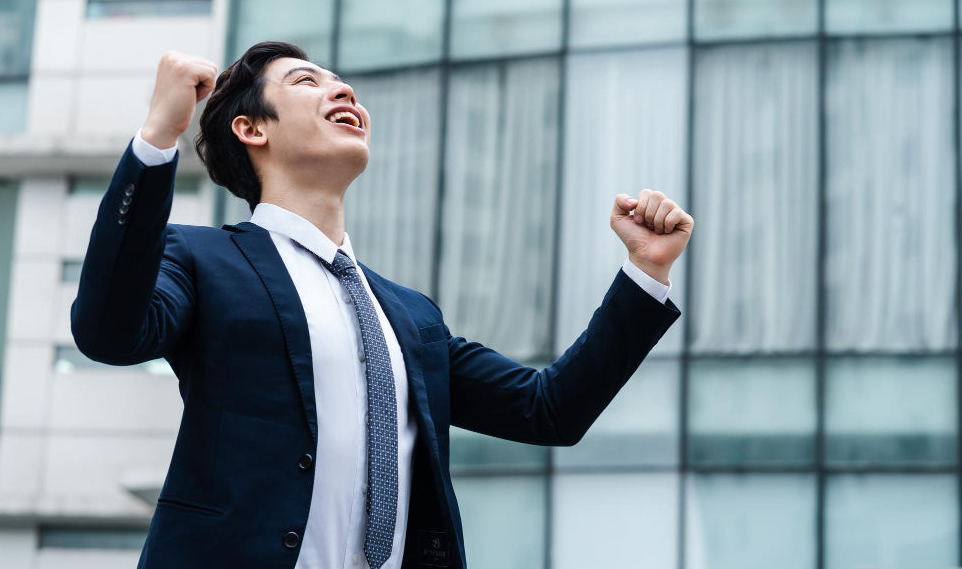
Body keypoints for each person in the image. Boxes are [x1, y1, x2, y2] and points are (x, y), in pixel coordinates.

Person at [71, 41, 693, 569]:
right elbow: (109, 332)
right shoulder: (205, 261)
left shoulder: (408, 316)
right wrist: (158, 136)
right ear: (252, 128)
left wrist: (647, 269)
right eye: (307, 81)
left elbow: (549, 410)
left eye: (345, 85)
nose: (343, 93)